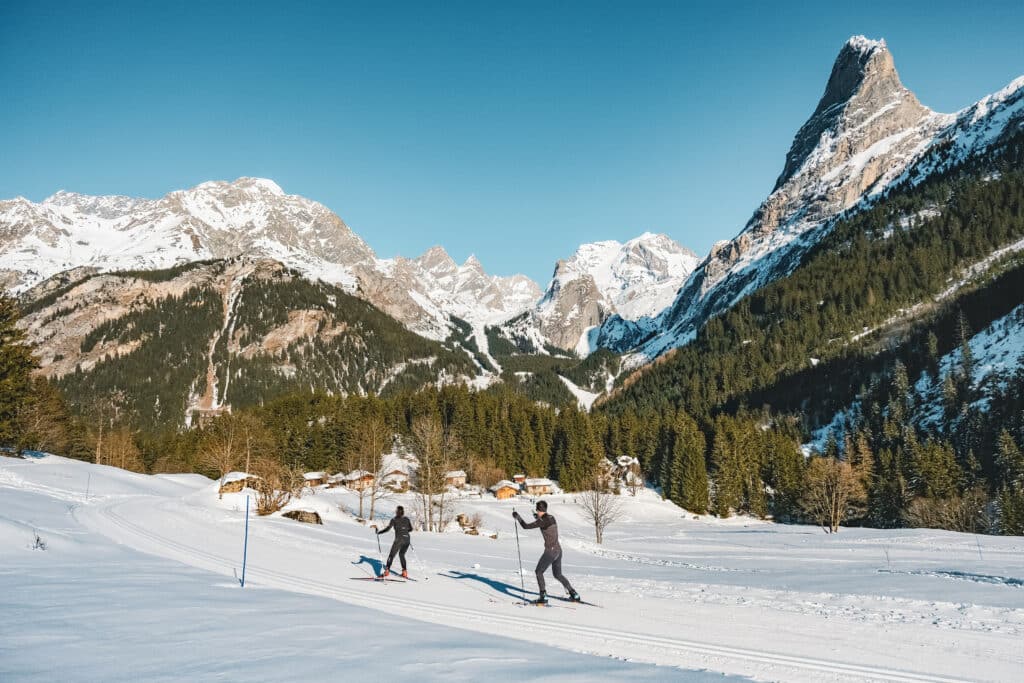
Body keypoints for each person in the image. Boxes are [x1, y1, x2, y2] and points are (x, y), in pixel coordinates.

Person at [513, 500, 580, 604]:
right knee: (558, 574)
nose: (536, 511)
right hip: (558, 550)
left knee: (539, 572)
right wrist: (537, 517)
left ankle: (543, 596)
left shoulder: (541, 521)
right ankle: (574, 594)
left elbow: (526, 526)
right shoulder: (551, 518)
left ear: (539, 510)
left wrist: (518, 517)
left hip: (550, 552)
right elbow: (544, 521)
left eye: (537, 510)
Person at [375, 505, 413, 578]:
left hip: (399, 539)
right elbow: (410, 529)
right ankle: (404, 572)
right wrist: (404, 531)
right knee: (402, 554)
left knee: (391, 555)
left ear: (397, 511)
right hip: (407, 539)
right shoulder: (407, 519)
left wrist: (379, 532)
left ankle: (387, 571)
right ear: (403, 512)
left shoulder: (394, 519)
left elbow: (388, 529)